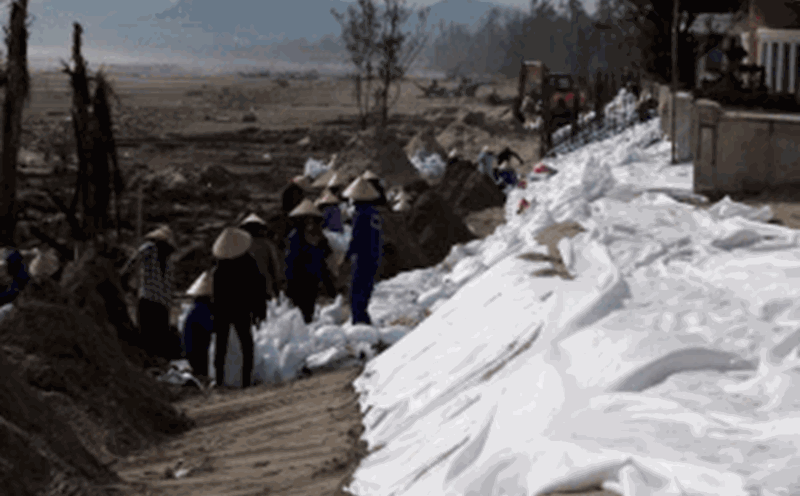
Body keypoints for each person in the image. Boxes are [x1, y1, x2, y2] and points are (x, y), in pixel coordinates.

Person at [211, 227, 264, 388]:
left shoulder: (219, 269)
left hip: (223, 311)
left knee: (221, 345)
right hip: (242, 309)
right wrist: (259, 311)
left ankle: (219, 379)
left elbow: (216, 295)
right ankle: (246, 380)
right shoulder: (248, 263)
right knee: (247, 345)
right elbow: (258, 288)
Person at [121, 225, 177, 357]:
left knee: (146, 336)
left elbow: (132, 263)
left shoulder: (148, 248)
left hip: (148, 299)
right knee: (159, 339)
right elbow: (170, 284)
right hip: (163, 304)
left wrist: (124, 280)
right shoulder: (169, 259)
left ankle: (149, 363)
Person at [285, 199, 337, 324]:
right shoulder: (297, 237)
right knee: (304, 308)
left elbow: (325, 257)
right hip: (302, 276)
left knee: (306, 308)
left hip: (307, 277)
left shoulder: (299, 236)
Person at [342, 177, 384, 325]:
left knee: (356, 293)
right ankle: (364, 320)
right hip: (374, 256)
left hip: (363, 257)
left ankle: (360, 323)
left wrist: (347, 256)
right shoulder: (374, 214)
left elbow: (357, 238)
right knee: (365, 290)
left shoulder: (360, 215)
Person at [239, 213, 282, 320]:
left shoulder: (241, 245)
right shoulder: (267, 245)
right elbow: (274, 268)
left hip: (245, 287)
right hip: (263, 286)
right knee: (261, 318)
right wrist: (277, 290)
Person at [182, 270, 214, 380]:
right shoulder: (202, 309)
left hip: (189, 353)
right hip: (196, 355)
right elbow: (211, 328)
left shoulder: (194, 307)